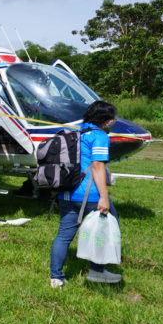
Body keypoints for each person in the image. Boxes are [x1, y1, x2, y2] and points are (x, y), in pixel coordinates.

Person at [50, 100, 121, 288]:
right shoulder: (99, 136)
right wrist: (104, 197)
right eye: (111, 118)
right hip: (90, 195)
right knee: (105, 229)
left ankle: (56, 278)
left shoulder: (76, 133)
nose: (113, 122)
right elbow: (97, 166)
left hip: (66, 192)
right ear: (105, 120)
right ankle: (97, 271)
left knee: (63, 236)